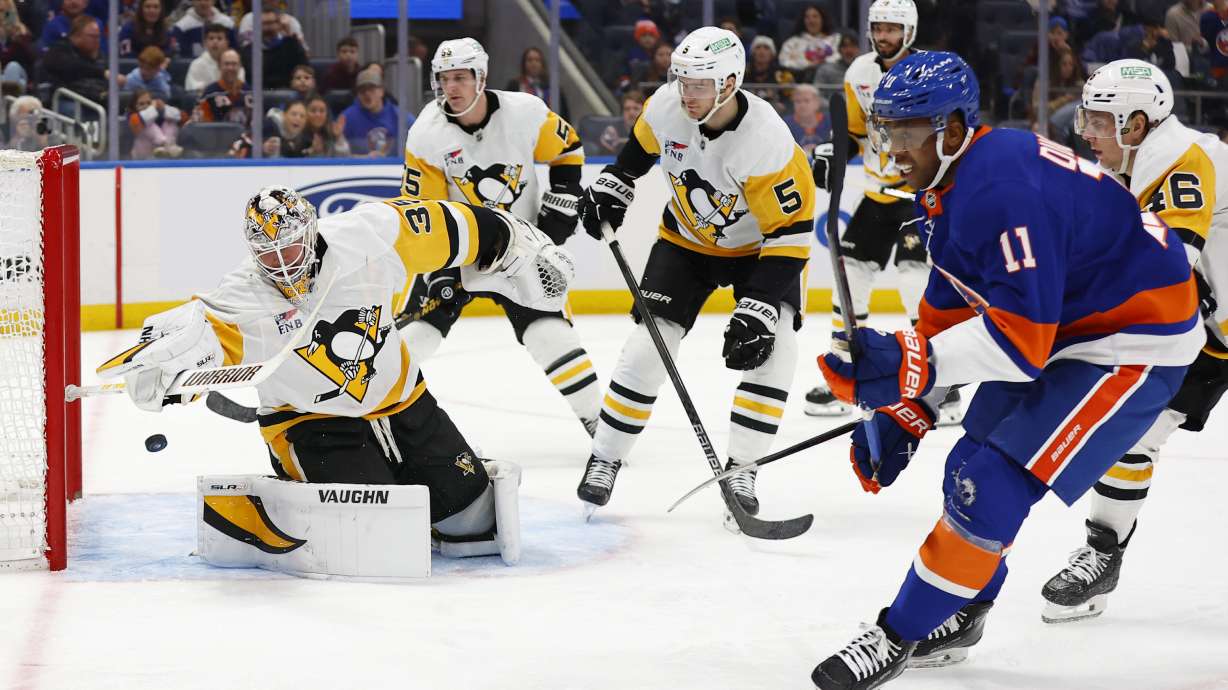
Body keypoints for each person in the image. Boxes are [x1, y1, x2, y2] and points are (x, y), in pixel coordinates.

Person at [809, 51, 1202, 690]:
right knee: (965, 465)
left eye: (906, 133)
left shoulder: (1002, 191)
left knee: (990, 482)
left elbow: (1020, 345)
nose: (892, 148)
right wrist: (912, 404)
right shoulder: (957, 181)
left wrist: (912, 368)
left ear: (954, 129)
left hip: (1136, 338)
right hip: (1074, 322)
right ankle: (962, 609)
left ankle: (899, 632)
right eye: (886, 131)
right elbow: (950, 299)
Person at [95, 186, 576, 567]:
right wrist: (165, 369)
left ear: (312, 227)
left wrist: (516, 245)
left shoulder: (374, 234)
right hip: (310, 422)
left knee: (470, 524)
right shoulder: (242, 297)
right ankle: (272, 499)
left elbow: (460, 224)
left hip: (403, 400)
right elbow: (200, 333)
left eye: (291, 246)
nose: (283, 264)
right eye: (268, 255)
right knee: (377, 534)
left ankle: (425, 476)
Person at [574, 26, 815, 519]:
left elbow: (790, 236)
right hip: (686, 243)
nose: (688, 94)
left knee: (774, 351)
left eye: (700, 84)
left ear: (729, 84)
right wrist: (613, 183)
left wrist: (760, 306)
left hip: (760, 253)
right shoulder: (667, 106)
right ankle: (605, 456)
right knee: (648, 348)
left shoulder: (767, 141)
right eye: (682, 81)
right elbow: (636, 155)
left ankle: (743, 468)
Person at [1037, 59, 1228, 623]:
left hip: (1207, 325)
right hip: (1209, 334)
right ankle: (1102, 557)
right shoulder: (1135, 166)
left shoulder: (1184, 158)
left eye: (1099, 121)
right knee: (1131, 434)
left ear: (1138, 122)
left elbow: (1166, 265)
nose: (1086, 132)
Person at [400, 37, 601, 437]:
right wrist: (439, 263)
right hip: (460, 252)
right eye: (443, 79)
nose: (450, 88)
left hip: (522, 251)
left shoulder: (525, 112)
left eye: (460, 77)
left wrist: (562, 204)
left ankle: (601, 423)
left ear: (481, 77)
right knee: (415, 337)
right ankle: (367, 412)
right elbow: (425, 211)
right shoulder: (426, 133)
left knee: (550, 337)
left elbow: (567, 149)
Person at [805, 0, 963, 424]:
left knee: (915, 281)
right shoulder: (860, 72)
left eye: (893, 28)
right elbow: (855, 133)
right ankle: (847, 369)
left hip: (919, 195)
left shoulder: (930, 72)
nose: (884, 35)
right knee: (851, 275)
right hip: (878, 194)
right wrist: (834, 153)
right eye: (878, 27)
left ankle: (939, 383)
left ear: (909, 32)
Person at [42, 14, 116, 104]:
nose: (97, 40)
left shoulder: (98, 54)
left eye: (98, 36)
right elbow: (73, 66)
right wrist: (102, 73)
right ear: (76, 36)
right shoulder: (59, 50)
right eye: (92, 36)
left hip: (95, 97)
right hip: (68, 100)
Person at [240, 8, 307, 90]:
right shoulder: (250, 50)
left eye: (271, 23)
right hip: (260, 93)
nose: (268, 27)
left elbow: (304, 66)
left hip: (287, 91)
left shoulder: (290, 45)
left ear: (279, 24)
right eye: (264, 23)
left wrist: (290, 36)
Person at [338, 66, 397, 156]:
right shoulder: (346, 118)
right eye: (362, 90)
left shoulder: (400, 117)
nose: (367, 93)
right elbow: (338, 156)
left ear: (382, 91)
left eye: (371, 89)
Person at [778, 3, 841, 75]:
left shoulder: (835, 39)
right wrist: (808, 64)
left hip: (829, 78)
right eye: (807, 17)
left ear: (823, 19)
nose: (811, 21)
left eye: (815, 16)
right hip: (799, 79)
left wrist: (823, 62)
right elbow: (783, 61)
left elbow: (840, 58)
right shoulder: (792, 42)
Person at [194, 48, 249, 124]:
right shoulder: (209, 94)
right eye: (226, 64)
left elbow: (258, 124)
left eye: (234, 64)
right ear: (219, 66)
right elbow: (201, 126)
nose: (230, 68)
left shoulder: (250, 92)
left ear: (240, 66)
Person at [184, 22, 243, 92]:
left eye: (219, 38)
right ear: (205, 43)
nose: (215, 42)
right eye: (211, 38)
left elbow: (240, 87)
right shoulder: (197, 65)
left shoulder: (234, 62)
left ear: (227, 43)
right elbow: (192, 90)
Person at [743, 35, 794, 114]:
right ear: (753, 53)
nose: (762, 51)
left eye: (766, 48)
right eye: (758, 47)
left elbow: (791, 99)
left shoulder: (783, 75)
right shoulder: (743, 72)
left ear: (772, 54)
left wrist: (783, 105)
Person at [127, 87, 183, 158]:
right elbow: (141, 119)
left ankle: (169, 146)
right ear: (134, 105)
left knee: (169, 122)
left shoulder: (155, 113)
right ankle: (163, 143)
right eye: (141, 104)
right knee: (149, 126)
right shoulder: (132, 116)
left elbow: (178, 116)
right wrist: (152, 107)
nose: (146, 106)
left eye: (148, 103)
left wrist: (164, 108)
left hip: (162, 155)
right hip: (142, 156)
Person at [169, 0, 234, 58]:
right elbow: (179, 57)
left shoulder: (227, 24)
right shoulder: (182, 27)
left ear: (214, 1)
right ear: (192, 1)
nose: (202, 3)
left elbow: (235, 51)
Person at [595, 88, 644, 156]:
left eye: (636, 108)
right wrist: (608, 145)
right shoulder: (613, 130)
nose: (631, 113)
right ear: (622, 112)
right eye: (627, 109)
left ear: (643, 111)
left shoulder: (652, 130)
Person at [785, 83, 829, 155]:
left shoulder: (831, 122)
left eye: (806, 101)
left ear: (817, 103)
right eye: (798, 101)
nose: (802, 105)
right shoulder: (785, 124)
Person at [0, 0, 34, 89]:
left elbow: (31, 58)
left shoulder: (21, 32)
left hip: (18, 76)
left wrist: (18, 40)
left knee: (13, 68)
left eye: (2, 11)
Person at [304, 93, 349, 157]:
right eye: (313, 110)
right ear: (305, 112)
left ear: (327, 115)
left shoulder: (333, 132)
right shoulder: (299, 134)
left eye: (322, 111)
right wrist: (314, 152)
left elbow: (344, 160)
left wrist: (339, 137)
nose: (318, 115)